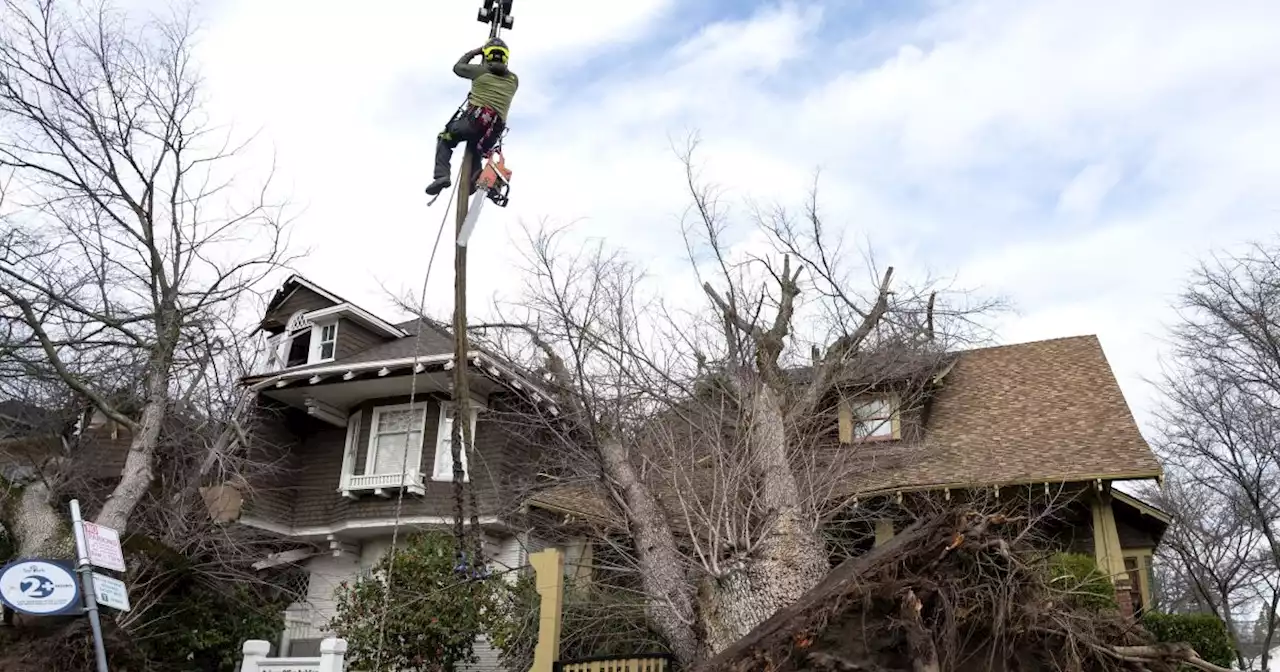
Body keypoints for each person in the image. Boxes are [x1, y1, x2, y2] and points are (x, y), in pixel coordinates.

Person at [425, 38, 519, 197]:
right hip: (494, 131)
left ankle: (442, 176)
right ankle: (476, 177)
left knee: (445, 138)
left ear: (487, 56)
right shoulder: (514, 80)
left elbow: (458, 67)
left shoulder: (480, 72)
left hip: (475, 121)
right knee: (476, 149)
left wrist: (476, 51)